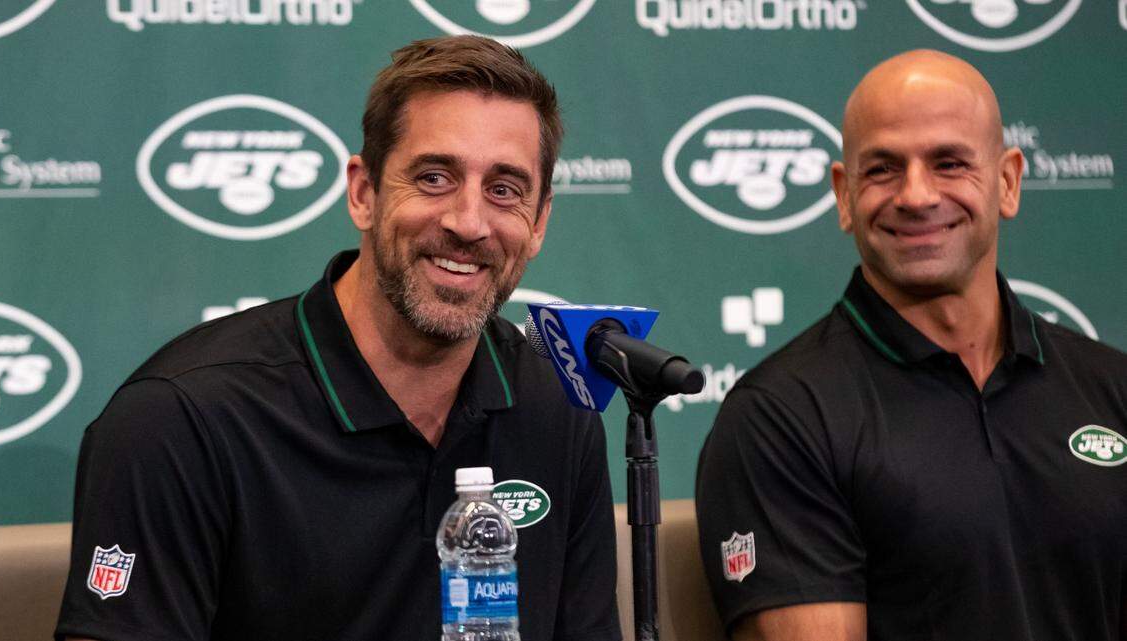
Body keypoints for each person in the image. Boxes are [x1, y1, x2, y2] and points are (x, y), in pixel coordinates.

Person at [56, 35, 621, 641]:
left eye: (504, 190)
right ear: (363, 193)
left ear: (538, 223)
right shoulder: (181, 418)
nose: (468, 222)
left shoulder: (558, 404)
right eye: (434, 177)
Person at [695, 50, 1127, 641]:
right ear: (844, 196)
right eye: (883, 169)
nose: (917, 195)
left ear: (1007, 182)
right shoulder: (781, 417)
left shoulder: (1111, 387)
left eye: (949, 163)